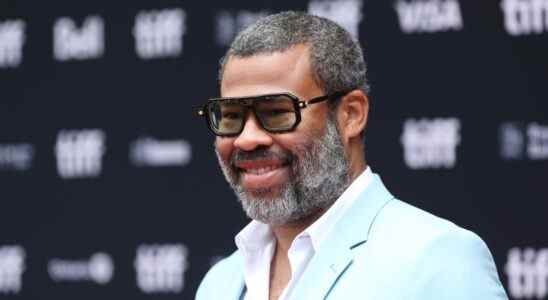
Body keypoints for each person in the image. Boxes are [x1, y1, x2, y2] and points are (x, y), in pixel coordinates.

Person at [195, 11, 508, 300]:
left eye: (277, 112)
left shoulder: (439, 260)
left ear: (351, 115)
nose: (247, 139)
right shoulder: (219, 283)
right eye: (231, 115)